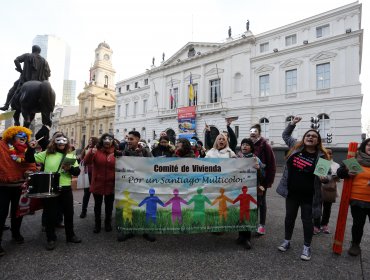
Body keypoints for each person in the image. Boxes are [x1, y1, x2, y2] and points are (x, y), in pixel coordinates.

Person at [276, 116, 329, 261]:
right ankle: (287, 241)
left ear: (318, 141)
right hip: (292, 193)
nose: (310, 137)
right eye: (308, 135)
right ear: (304, 138)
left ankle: (307, 246)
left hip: (309, 195)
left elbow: (326, 176)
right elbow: (285, 135)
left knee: (307, 221)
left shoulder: (322, 156)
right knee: (289, 218)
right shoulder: (296, 146)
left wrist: (325, 178)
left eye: (314, 136)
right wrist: (292, 123)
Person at [33, 132, 81, 250]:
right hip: (51, 187)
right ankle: (51, 238)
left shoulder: (70, 156)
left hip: (65, 188)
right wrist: (31, 148)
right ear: (54, 142)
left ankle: (70, 235)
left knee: (69, 213)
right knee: (50, 214)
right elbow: (30, 158)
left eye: (64, 141)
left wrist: (70, 168)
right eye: (58, 141)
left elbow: (77, 172)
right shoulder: (47, 154)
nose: (61, 143)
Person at [0, 126, 36, 256]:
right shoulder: (2, 146)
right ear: (12, 136)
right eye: (20, 136)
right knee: (1, 213)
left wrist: (30, 171)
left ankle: (16, 233)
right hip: (3, 186)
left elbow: (31, 164)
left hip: (20, 187)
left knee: (18, 212)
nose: (23, 138)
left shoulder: (27, 150)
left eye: (25, 136)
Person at [116, 130, 153, 242]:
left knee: (144, 208)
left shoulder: (145, 151)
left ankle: (146, 230)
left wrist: (140, 153)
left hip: (143, 185)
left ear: (138, 139)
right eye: (128, 139)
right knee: (129, 208)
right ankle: (128, 230)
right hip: (129, 185)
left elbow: (153, 164)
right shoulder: (124, 152)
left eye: (131, 139)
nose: (129, 141)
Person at [336, 138, 370, 256]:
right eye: (369, 145)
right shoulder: (356, 159)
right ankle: (355, 244)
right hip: (358, 200)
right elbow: (339, 172)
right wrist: (347, 173)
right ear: (364, 146)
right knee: (358, 224)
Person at [0, 45, 51, 111]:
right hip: (40, 82)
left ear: (32, 50)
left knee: (13, 89)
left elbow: (16, 60)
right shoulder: (44, 61)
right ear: (39, 52)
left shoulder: (27, 55)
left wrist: (20, 70)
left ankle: (6, 105)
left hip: (25, 80)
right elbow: (48, 74)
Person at [236, 138, 265, 249]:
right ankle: (240, 236)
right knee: (240, 212)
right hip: (239, 189)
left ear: (251, 147)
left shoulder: (255, 159)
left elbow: (263, 176)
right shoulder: (237, 158)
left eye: (247, 145)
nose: (244, 146)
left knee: (249, 213)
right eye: (243, 144)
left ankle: (247, 238)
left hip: (251, 190)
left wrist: (258, 169)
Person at [84, 134, 116, 233]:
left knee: (109, 206)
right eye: (105, 139)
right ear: (102, 141)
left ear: (112, 141)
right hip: (98, 183)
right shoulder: (96, 150)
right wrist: (90, 153)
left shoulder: (116, 152)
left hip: (111, 184)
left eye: (110, 139)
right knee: (97, 205)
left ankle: (108, 223)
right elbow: (86, 161)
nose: (107, 141)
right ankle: (97, 224)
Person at [249, 123, 276, 235]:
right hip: (249, 179)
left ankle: (262, 225)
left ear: (259, 133)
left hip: (262, 179)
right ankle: (252, 223)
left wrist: (269, 181)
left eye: (255, 131)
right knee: (252, 202)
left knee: (261, 202)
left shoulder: (265, 145)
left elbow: (271, 163)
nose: (252, 133)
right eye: (251, 131)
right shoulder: (248, 145)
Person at [313, 148, 340, 234]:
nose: (328, 154)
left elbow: (339, 178)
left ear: (332, 154)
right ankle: (316, 225)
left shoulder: (336, 165)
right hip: (318, 188)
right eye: (326, 153)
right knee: (317, 207)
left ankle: (324, 225)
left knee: (327, 208)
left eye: (330, 153)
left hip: (329, 189)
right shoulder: (319, 162)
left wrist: (335, 177)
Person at [79, 137, 99, 218]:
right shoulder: (86, 149)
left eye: (91, 141)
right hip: (87, 174)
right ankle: (84, 211)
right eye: (89, 140)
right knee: (86, 194)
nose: (90, 142)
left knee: (96, 195)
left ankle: (96, 211)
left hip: (95, 175)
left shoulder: (98, 150)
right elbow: (82, 160)